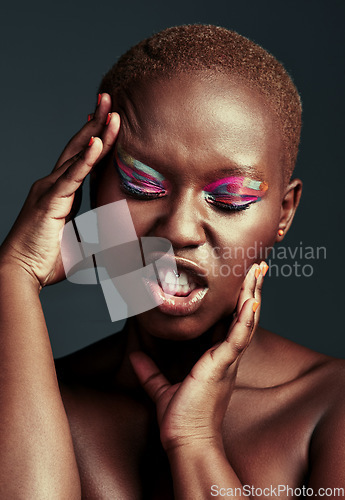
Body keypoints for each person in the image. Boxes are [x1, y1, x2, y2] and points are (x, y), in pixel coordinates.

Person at [0, 24, 344, 499]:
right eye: (143, 186)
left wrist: (195, 444)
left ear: (283, 213)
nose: (179, 230)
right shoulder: (39, 399)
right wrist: (15, 272)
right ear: (91, 191)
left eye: (229, 198)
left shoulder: (331, 405)